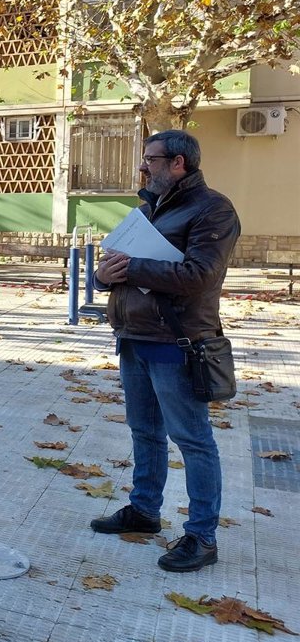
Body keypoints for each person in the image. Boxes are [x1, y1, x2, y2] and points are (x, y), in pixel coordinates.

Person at [91, 130, 240, 572]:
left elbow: (200, 275)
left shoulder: (213, 209)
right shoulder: (146, 211)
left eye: (151, 159)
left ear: (178, 163)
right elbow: (111, 271)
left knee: (192, 439)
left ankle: (202, 536)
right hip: (134, 338)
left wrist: (133, 267)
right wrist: (102, 276)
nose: (143, 167)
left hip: (177, 342)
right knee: (144, 431)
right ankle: (144, 510)